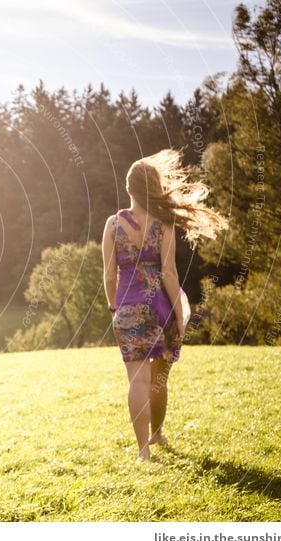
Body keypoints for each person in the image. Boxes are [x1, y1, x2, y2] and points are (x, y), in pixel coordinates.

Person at [101, 149, 227, 462]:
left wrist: (114, 308)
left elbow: (109, 274)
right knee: (159, 379)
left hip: (127, 310)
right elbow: (169, 272)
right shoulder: (163, 225)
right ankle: (157, 433)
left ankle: (143, 451)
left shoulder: (113, 225)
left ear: (129, 188)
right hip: (160, 308)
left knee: (137, 380)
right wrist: (181, 316)